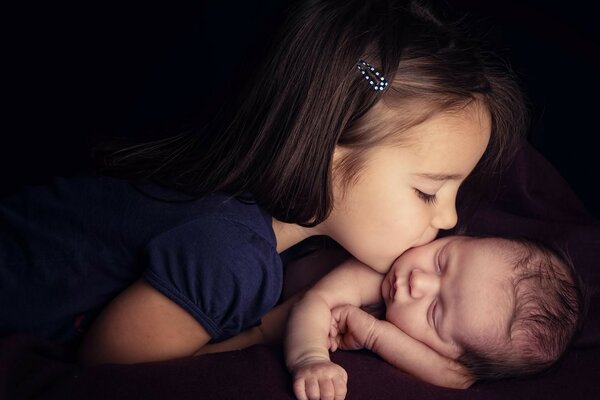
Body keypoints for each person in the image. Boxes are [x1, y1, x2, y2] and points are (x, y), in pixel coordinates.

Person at [0, 0, 526, 371]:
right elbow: (112, 364)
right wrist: (262, 333)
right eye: (429, 191)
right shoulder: (233, 255)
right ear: (328, 150)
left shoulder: (262, 216)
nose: (452, 220)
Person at [284, 235, 584, 400]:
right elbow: (315, 302)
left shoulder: (453, 364)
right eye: (442, 262)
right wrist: (311, 358)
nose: (419, 281)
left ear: (447, 353)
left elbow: (456, 377)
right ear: (462, 238)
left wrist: (376, 334)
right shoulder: (383, 264)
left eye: (435, 311)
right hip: (282, 260)